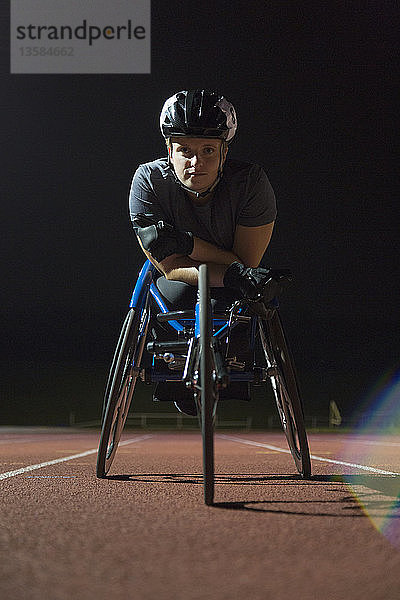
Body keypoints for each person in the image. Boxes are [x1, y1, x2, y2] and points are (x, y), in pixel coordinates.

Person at [129, 89, 277, 415]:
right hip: (179, 284)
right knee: (171, 290)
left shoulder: (251, 184)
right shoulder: (148, 181)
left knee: (249, 296)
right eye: (185, 150)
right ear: (169, 151)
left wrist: (186, 244)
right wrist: (205, 257)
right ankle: (177, 371)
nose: (196, 162)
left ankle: (228, 365)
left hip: (234, 288)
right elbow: (169, 268)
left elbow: (246, 264)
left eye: (209, 150)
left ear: (225, 153)